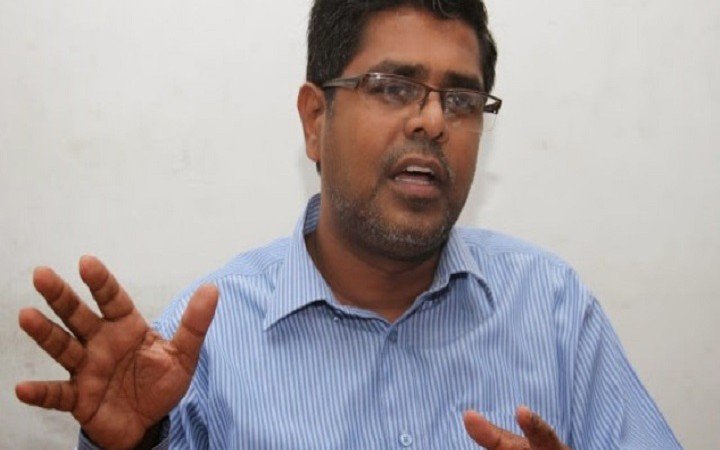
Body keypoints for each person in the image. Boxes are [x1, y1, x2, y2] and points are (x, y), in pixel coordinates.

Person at [15, 1, 681, 449]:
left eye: (461, 98)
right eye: (393, 87)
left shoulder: (552, 309)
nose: (433, 121)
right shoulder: (201, 346)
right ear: (315, 119)